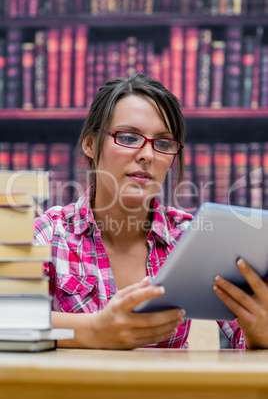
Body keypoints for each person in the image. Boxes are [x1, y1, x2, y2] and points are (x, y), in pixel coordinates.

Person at [34, 73, 268, 350]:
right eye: (129, 137)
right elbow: (8, 320)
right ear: (91, 144)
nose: (148, 155)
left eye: (164, 143)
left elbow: (247, 341)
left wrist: (260, 331)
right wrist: (95, 330)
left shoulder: (193, 239)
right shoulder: (48, 235)